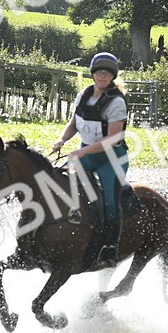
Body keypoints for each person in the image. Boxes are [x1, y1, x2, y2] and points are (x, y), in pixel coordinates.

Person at [51, 51, 130, 266]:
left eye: (107, 74)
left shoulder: (116, 102)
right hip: (86, 153)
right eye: (99, 73)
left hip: (111, 158)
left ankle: (110, 250)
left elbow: (113, 139)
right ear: (93, 74)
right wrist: (62, 140)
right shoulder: (84, 95)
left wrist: (82, 152)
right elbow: (74, 124)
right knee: (60, 180)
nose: (102, 77)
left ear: (112, 77)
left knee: (110, 203)